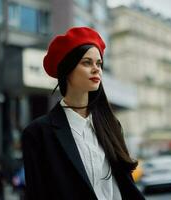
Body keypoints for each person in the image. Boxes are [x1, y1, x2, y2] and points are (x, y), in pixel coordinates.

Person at [22, 27, 145, 200]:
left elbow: (125, 186)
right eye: (87, 62)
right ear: (67, 70)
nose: (96, 69)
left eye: (99, 64)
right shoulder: (38, 133)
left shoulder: (112, 125)